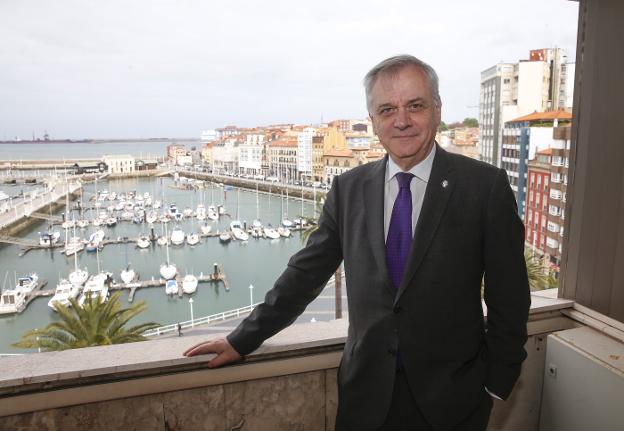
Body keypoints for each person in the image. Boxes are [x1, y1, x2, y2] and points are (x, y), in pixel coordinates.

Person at [184, 55, 530, 431]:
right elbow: (305, 274)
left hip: (454, 402)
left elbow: (509, 297)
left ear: (437, 109)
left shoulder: (484, 187)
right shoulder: (348, 189)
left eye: (415, 105)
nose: (401, 120)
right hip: (365, 401)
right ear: (373, 121)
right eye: (387, 109)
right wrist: (243, 339)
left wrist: (496, 383)